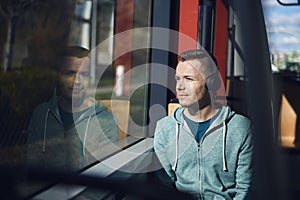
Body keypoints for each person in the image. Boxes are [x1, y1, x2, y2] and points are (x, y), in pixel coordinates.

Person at [154, 49, 252, 199]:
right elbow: (164, 187)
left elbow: (245, 190)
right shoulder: (164, 129)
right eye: (177, 78)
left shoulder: (240, 128)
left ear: (212, 83)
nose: (180, 87)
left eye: (188, 79)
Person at [27, 46, 118, 171]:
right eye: (70, 73)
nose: (77, 81)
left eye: (84, 74)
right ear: (58, 76)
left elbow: (104, 173)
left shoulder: (105, 120)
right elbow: (31, 166)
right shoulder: (42, 114)